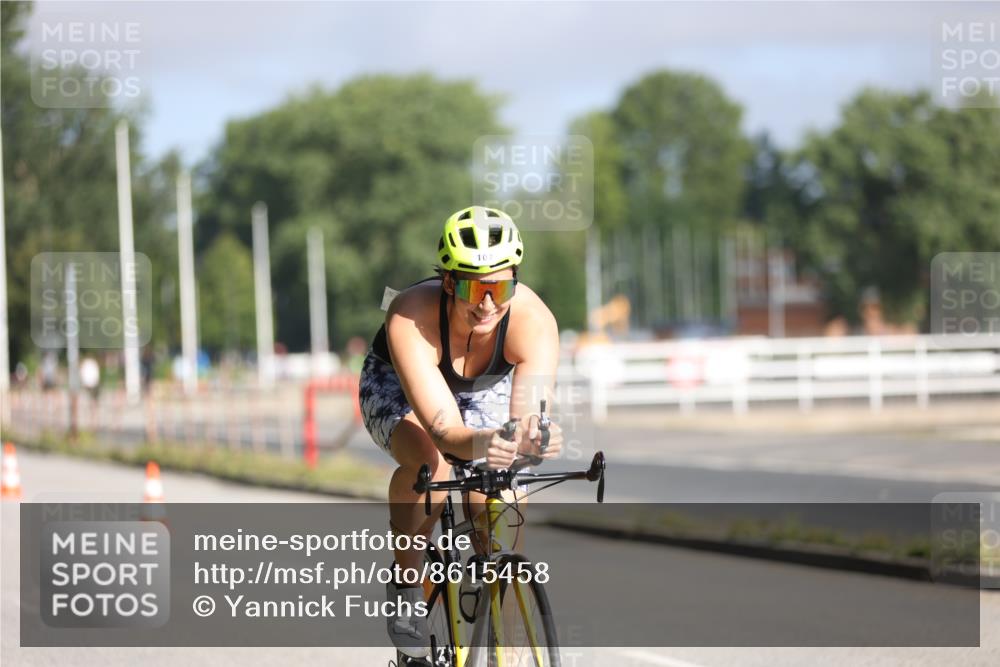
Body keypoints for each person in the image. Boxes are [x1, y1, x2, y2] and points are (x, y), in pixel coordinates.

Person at [358, 205, 563, 657]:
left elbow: (527, 419)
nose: (487, 304)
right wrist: (487, 441)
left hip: (482, 387)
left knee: (500, 488)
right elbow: (446, 432)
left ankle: (499, 619)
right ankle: (407, 585)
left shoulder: (534, 322)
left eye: (500, 288)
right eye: (474, 288)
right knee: (430, 464)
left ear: (515, 281)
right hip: (399, 385)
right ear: (449, 283)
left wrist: (533, 437)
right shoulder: (410, 315)